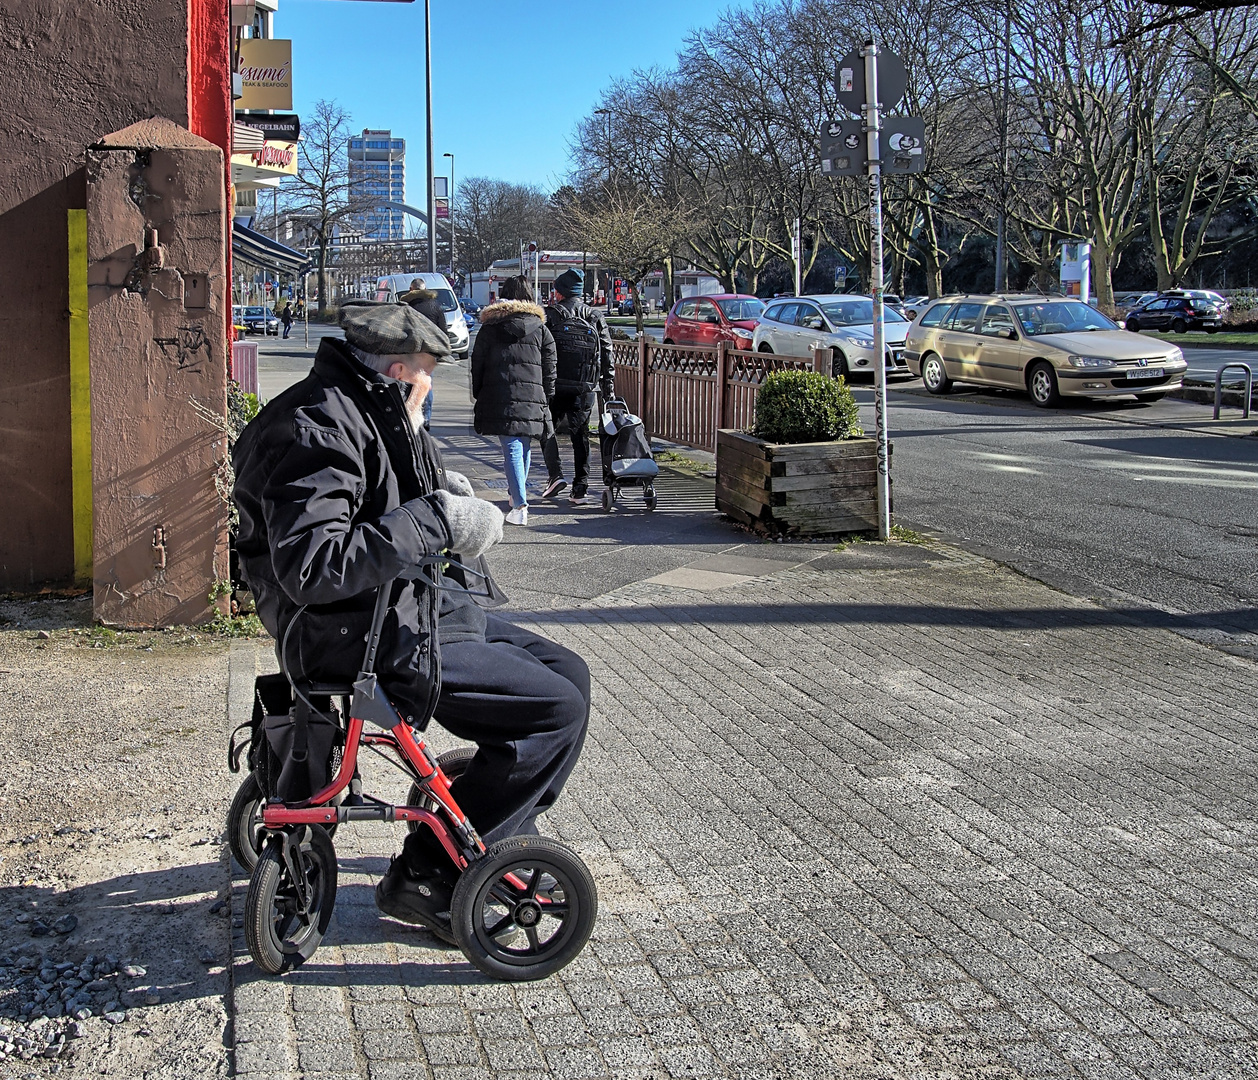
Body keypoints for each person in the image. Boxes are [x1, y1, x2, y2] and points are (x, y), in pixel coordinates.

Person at [232, 301, 590, 942]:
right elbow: (315, 566)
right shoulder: (320, 428)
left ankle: (492, 823)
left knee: (570, 670)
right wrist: (439, 521)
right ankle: (429, 877)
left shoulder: (362, 405)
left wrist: (438, 485)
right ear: (400, 371)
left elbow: (380, 490)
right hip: (355, 632)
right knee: (556, 710)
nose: (427, 387)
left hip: (401, 609)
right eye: (426, 375)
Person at [470, 275, 557, 527]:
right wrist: (546, 394)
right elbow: (550, 366)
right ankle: (515, 495)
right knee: (523, 445)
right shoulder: (541, 329)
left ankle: (520, 505)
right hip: (533, 394)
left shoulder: (490, 328)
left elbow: (477, 363)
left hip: (499, 393)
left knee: (512, 447)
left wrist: (480, 392)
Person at [538, 268, 614, 504]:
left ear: (559, 293)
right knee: (580, 434)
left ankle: (555, 475)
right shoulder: (594, 316)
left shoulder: (548, 316)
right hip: (585, 385)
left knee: (546, 428)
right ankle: (580, 488)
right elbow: (607, 352)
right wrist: (607, 386)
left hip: (554, 384)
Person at [399, 278, 449, 431]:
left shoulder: (406, 308)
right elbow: (444, 333)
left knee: (407, 385)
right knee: (426, 385)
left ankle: (409, 416)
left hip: (410, 352)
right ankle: (426, 419)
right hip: (428, 354)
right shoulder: (435, 307)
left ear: (411, 289)